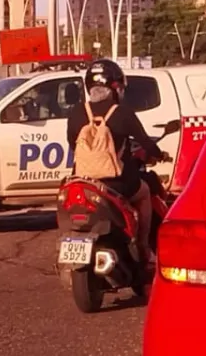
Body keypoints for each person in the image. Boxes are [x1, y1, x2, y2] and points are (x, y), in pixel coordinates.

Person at [66, 59, 162, 262]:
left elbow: (72, 143)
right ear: (116, 87)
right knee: (144, 193)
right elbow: (145, 142)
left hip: (83, 181)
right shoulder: (122, 113)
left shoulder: (76, 111)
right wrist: (159, 155)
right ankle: (144, 246)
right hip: (116, 182)